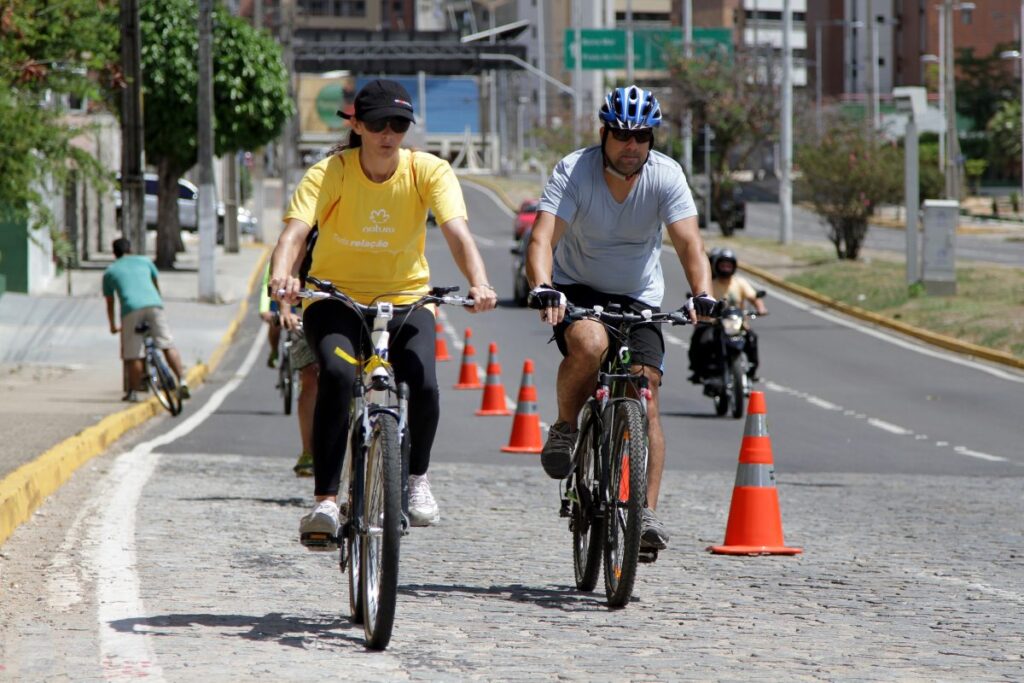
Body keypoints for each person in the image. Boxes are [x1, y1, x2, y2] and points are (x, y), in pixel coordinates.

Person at [271, 79, 497, 549]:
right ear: (356, 125)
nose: (388, 133)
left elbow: (456, 232)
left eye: (398, 124)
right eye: (377, 124)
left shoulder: (427, 171)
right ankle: (327, 501)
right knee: (334, 373)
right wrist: (283, 277)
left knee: (426, 382)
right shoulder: (330, 172)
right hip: (335, 300)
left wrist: (480, 282)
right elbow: (295, 233)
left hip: (405, 299)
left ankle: (416, 479)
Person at [525, 85, 717, 552]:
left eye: (642, 137)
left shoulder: (666, 175)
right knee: (590, 345)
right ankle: (566, 428)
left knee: (646, 394)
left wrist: (703, 295)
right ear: (604, 134)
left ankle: (644, 513)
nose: (632, 146)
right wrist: (544, 286)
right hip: (578, 289)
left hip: (639, 297)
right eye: (623, 135)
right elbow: (542, 238)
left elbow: (690, 244)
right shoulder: (575, 171)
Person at [103, 237, 190, 402]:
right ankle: (182, 380)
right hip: (154, 304)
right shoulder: (145, 261)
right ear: (130, 249)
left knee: (133, 353)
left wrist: (113, 326)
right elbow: (155, 284)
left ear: (114, 253)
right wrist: (157, 303)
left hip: (131, 309)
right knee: (166, 344)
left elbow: (110, 302)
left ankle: (133, 392)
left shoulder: (111, 271)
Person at [258, 262, 319, 476]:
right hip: (305, 312)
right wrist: (284, 310)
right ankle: (308, 452)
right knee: (310, 377)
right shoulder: (301, 235)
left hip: (348, 309)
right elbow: (282, 269)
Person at [688, 248, 767, 382]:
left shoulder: (740, 283)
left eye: (728, 265)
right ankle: (698, 370)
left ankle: (752, 370)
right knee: (701, 340)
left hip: (738, 324)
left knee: (752, 339)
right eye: (723, 265)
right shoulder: (710, 284)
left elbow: (754, 297)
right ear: (716, 266)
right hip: (716, 325)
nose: (725, 268)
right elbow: (702, 299)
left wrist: (761, 308)